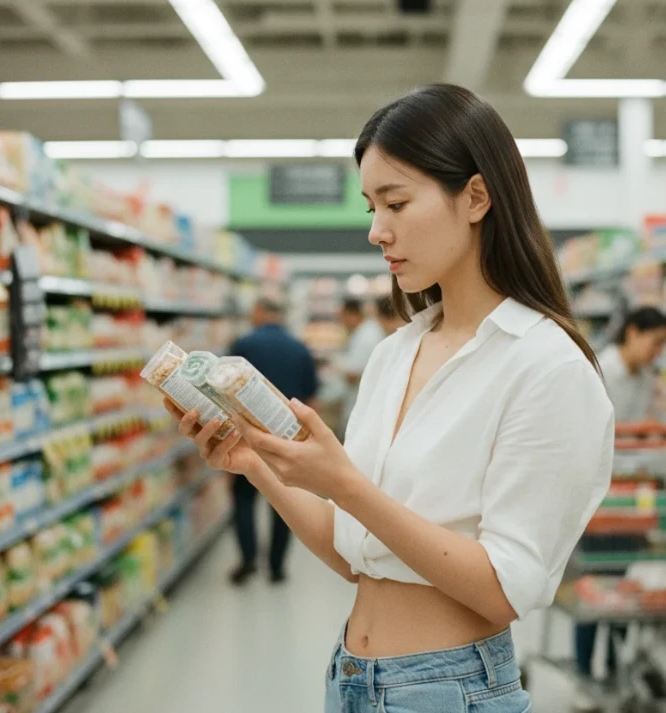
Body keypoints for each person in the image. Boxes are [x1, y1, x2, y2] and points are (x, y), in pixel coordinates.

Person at [167, 84, 613, 712]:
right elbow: (358, 556)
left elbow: (502, 590)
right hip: (351, 676)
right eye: (370, 207)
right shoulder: (394, 353)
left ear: (477, 197)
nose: (377, 231)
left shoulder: (546, 367)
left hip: (448, 689)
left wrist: (346, 484)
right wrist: (255, 464)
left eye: (396, 202)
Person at [573, 307, 666, 708]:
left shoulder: (647, 380)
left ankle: (614, 671)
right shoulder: (598, 370)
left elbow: (645, 433)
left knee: (623, 591)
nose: (658, 351)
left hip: (630, 501)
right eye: (656, 341)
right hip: (597, 502)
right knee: (591, 589)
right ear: (632, 332)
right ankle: (584, 675)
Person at [225, 295, 319, 586]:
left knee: (243, 498)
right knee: (284, 500)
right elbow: (311, 397)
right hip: (287, 436)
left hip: (246, 435)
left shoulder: (243, 346)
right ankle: (277, 566)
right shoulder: (300, 348)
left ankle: (248, 560)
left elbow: (223, 389)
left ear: (261, 312)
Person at [338, 298, 385, 436]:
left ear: (351, 314)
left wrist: (339, 367)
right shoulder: (366, 331)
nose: (342, 322)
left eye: (343, 317)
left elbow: (353, 374)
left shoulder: (366, 336)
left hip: (363, 404)